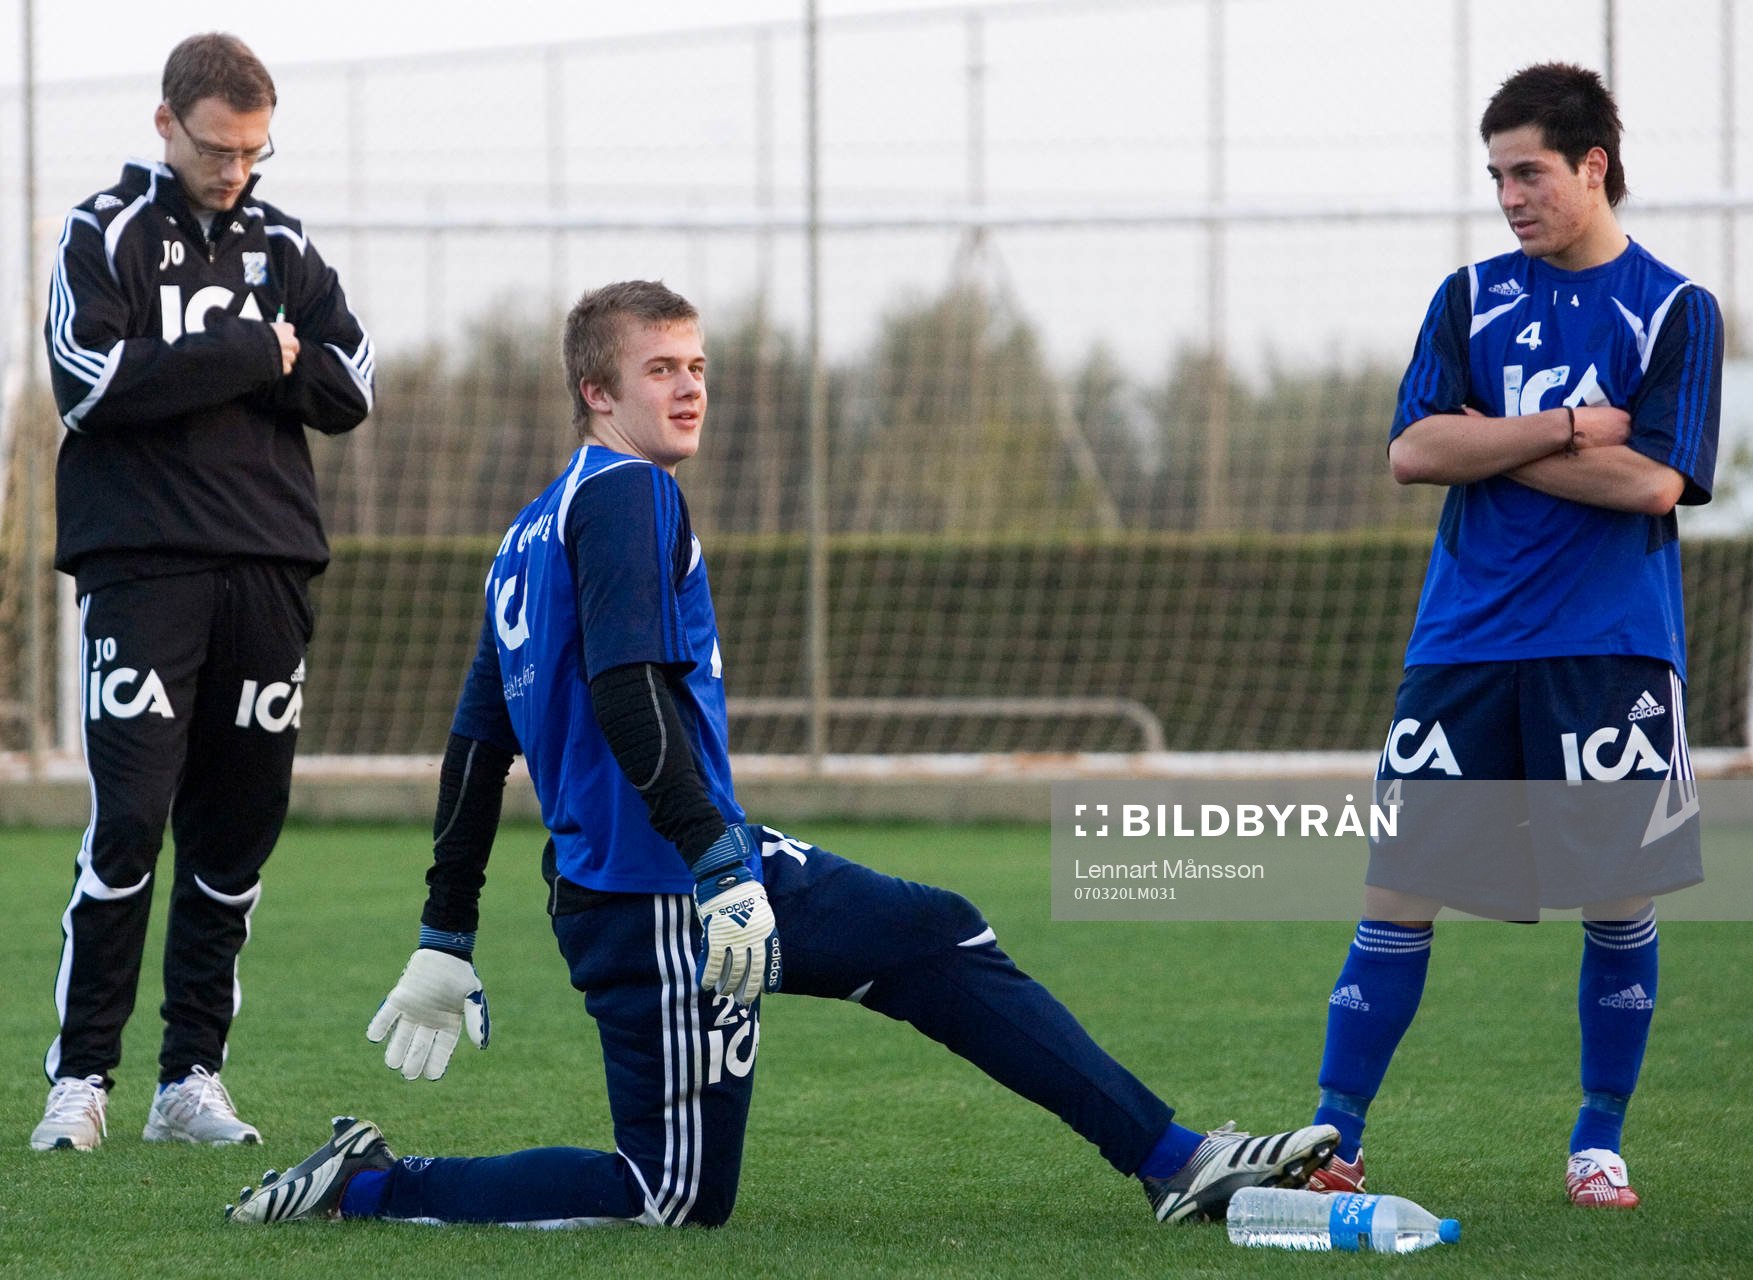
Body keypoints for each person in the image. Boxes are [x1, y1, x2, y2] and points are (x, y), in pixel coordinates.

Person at [224, 280, 1334, 1228]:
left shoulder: (528, 531)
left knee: (933, 931)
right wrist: (713, 865)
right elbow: (620, 691)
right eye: (659, 368)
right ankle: (365, 1185)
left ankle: (1177, 1161)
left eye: (697, 363)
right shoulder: (628, 493)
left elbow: (476, 742)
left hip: (686, 866)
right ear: (596, 393)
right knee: (674, 1194)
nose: (690, 385)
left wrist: (447, 927)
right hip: (656, 889)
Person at [1304, 63, 1720, 1209]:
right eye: (1494, 175)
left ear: (1593, 165)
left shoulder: (1676, 308)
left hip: (1610, 647)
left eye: (1528, 170)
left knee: (1616, 897)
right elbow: (1409, 453)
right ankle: (1334, 1131)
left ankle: (1597, 1139)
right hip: (1461, 643)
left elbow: (1653, 482)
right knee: (1397, 886)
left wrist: (1486, 435)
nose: (1508, 195)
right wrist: (1568, 426)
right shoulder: (1467, 298)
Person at [32, 32, 375, 1152]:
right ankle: (82, 1077)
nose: (236, 170)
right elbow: (91, 379)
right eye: (218, 147)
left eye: (254, 149)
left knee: (236, 832)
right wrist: (255, 353)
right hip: (144, 564)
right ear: (166, 123)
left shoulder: (283, 240)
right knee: (130, 816)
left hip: (270, 563)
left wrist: (272, 359)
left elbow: (351, 378)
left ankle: (191, 1078)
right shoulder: (104, 230)